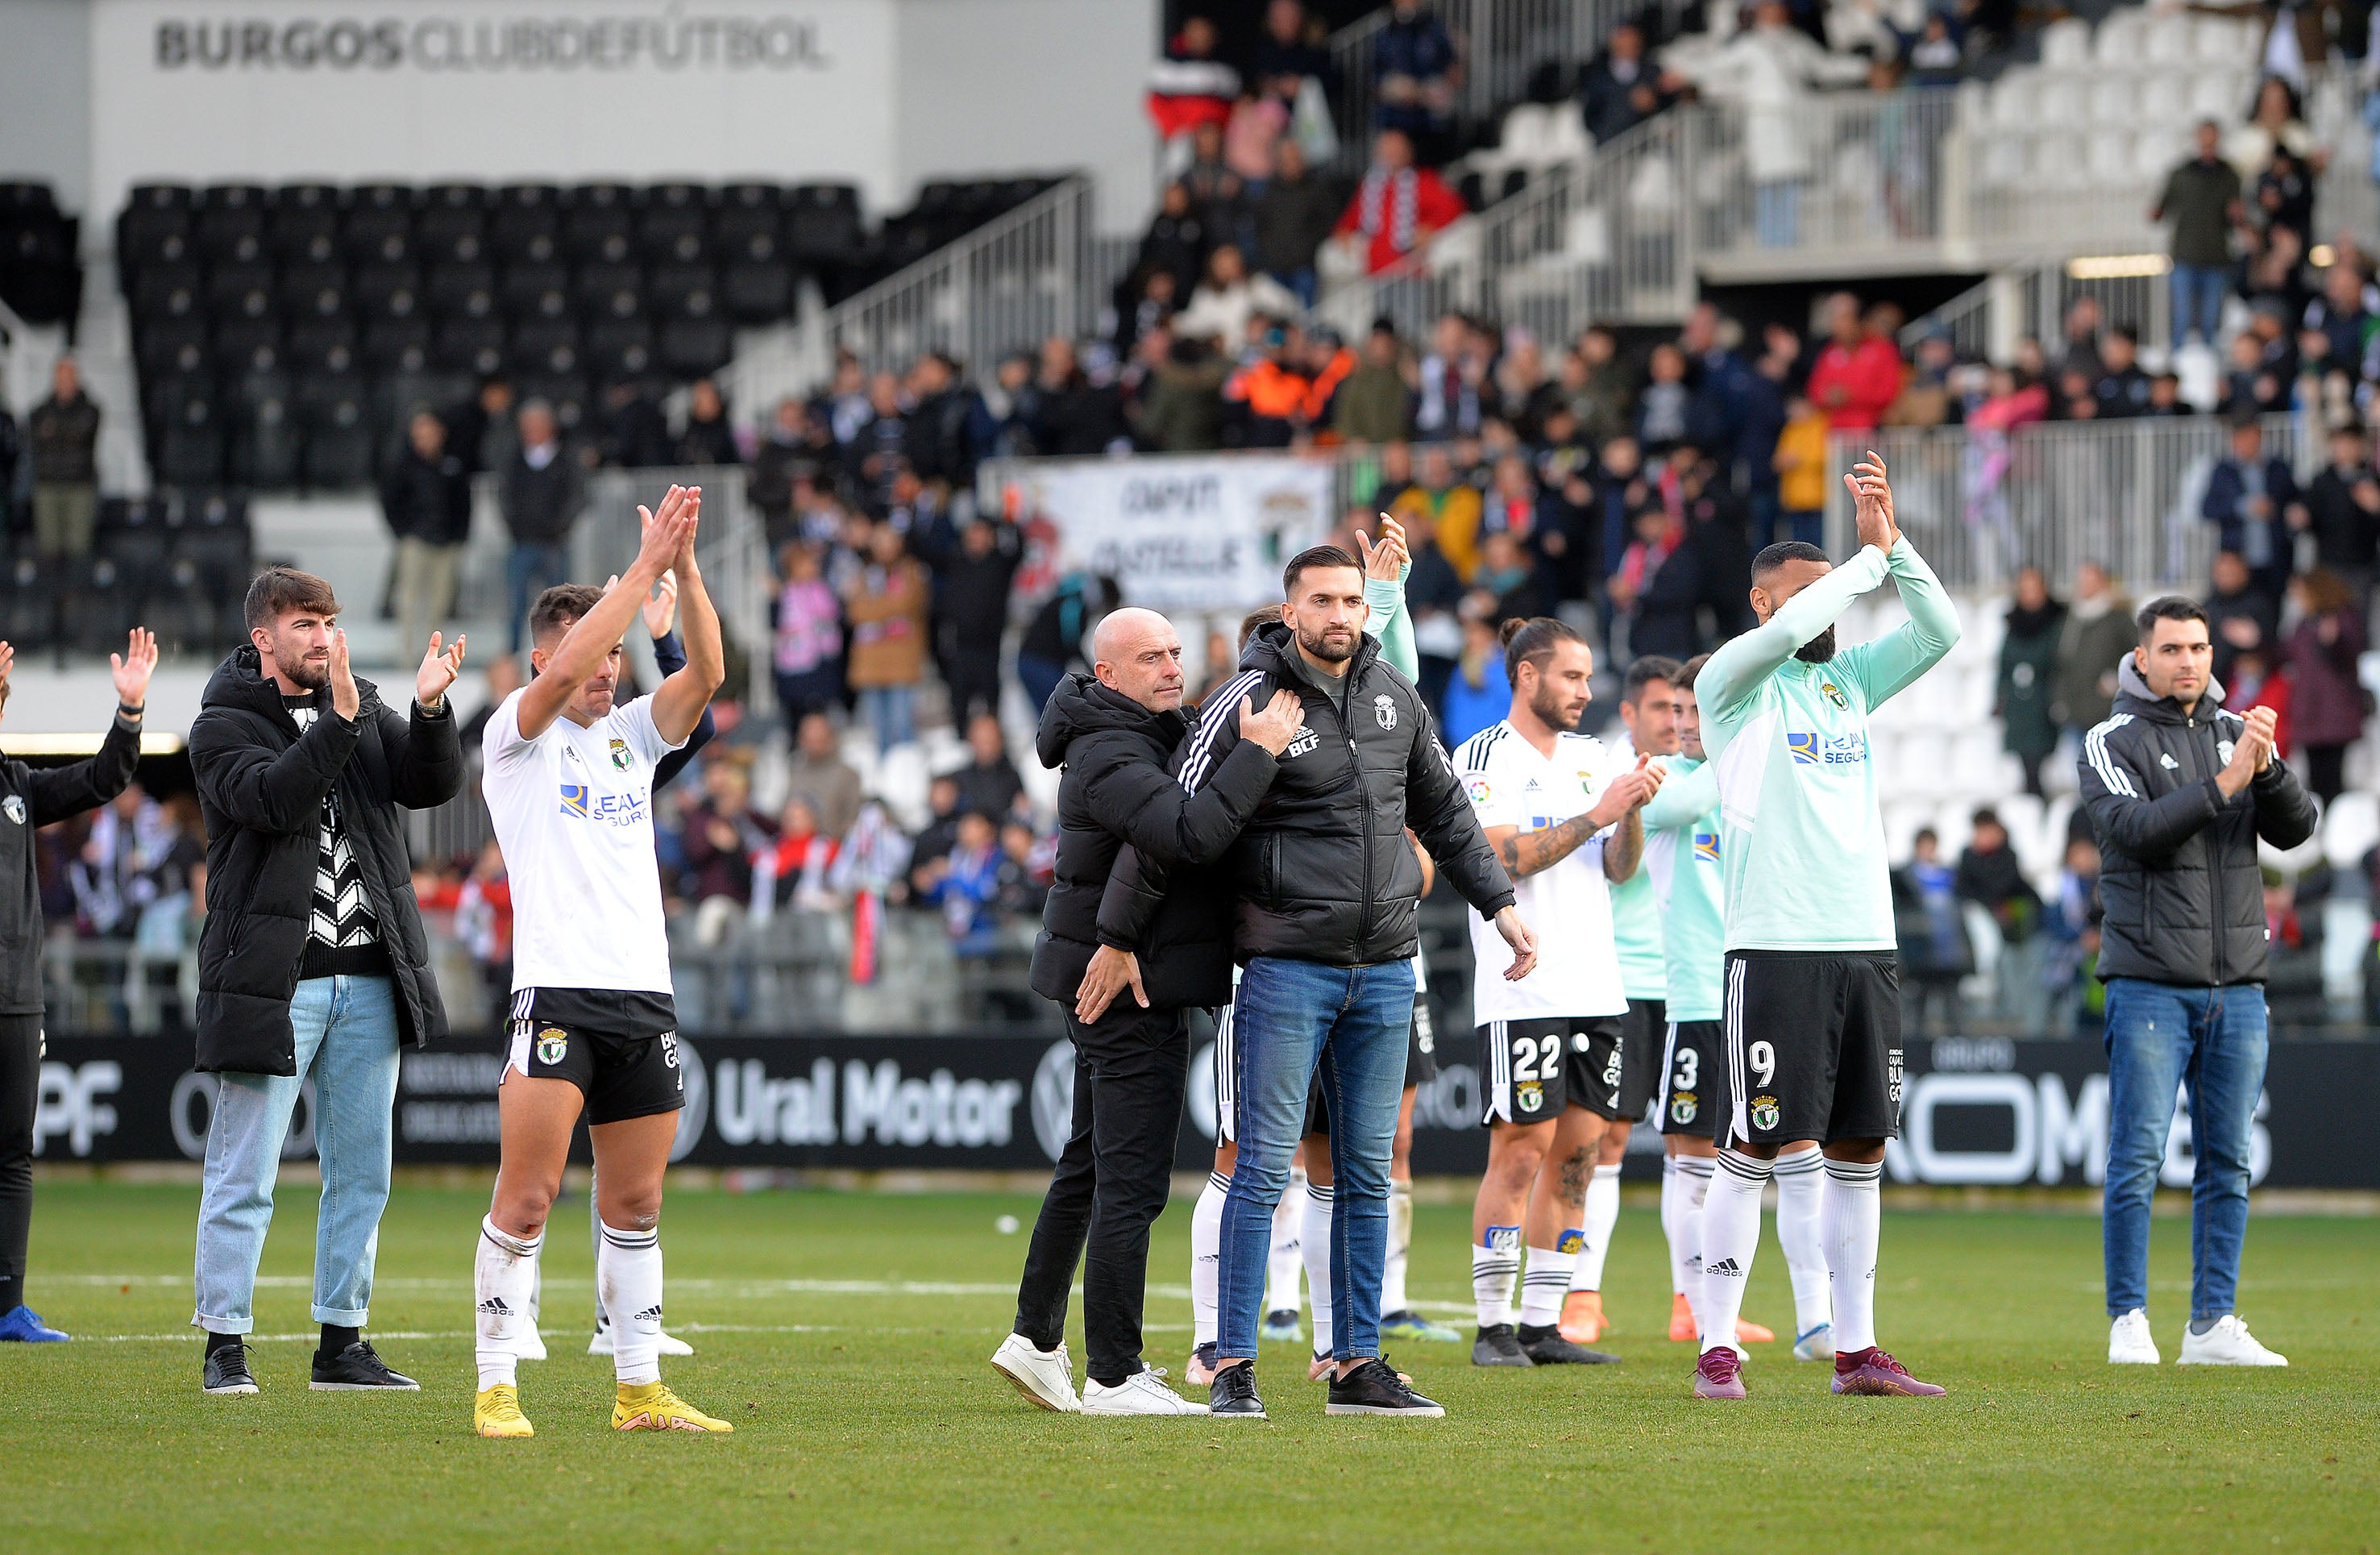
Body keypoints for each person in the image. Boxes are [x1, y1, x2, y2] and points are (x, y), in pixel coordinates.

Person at [1104, 545, 1535, 1421]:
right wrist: (1118, 939)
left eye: (1351, 600)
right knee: (1261, 1173)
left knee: (1366, 1177)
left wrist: (1501, 906)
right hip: (1283, 970)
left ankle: (1355, 1367)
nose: (1341, 615)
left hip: (1383, 970)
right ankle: (1230, 1364)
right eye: (1322, 601)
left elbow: (1445, 812)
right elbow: (1174, 826)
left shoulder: (1393, 697)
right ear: (1289, 610)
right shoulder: (1243, 700)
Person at [1688, 453, 1959, 1400]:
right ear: (1761, 607)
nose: (1826, 612)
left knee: (1860, 1149)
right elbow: (1811, 613)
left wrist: (1898, 549)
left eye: (1833, 594)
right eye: (1803, 596)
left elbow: (1943, 628)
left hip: (1863, 942)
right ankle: (1717, 1345)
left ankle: (1856, 1351)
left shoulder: (1848, 683)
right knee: (1754, 1142)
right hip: (1773, 943)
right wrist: (1862, 561)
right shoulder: (1731, 684)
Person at [988, 607, 1302, 1416]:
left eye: (1174, 652)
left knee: (1089, 1165)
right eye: (1149, 658)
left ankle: (1034, 1337)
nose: (1170, 667)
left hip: (1130, 975)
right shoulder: (1106, 750)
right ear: (1107, 677)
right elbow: (1188, 831)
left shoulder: (1147, 732)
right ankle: (1116, 1373)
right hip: (1128, 988)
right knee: (1130, 1183)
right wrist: (1261, 752)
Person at [470, 484, 729, 1439]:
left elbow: (707, 671)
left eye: (620, 655)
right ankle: (497, 1384)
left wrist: (685, 569)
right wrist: (640, 573)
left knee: (636, 1200)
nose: (609, 670)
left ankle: (638, 1389)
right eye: (594, 653)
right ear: (545, 657)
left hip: (642, 999)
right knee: (528, 1196)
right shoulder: (514, 737)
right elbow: (576, 654)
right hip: (556, 996)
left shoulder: (631, 739)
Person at [188, 569, 467, 1396]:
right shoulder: (220, 726)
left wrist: (426, 713)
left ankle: (341, 1343)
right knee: (246, 1173)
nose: (323, 637)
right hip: (275, 982)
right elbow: (274, 800)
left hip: (369, 980)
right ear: (263, 638)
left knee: (363, 1173)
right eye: (306, 623)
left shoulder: (358, 702)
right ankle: (226, 1344)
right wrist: (342, 719)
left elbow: (428, 785)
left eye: (330, 622)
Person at [2077, 595, 2315, 1369]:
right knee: (2138, 1155)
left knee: (2228, 1161)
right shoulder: (2109, 738)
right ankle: (2128, 1318)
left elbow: (2297, 828)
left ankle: (2212, 1323)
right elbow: (2133, 831)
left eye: (2200, 648)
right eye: (2173, 648)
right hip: (2149, 983)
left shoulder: (2231, 731)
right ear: (2139, 659)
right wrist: (2224, 783)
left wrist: (2266, 770)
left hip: (2238, 984)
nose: (2189, 661)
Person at [1456, 618, 1662, 1370]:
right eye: (1571, 677)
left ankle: (1543, 1324)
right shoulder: (1482, 756)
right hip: (1525, 985)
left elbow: (1619, 869)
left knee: (1577, 1156)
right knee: (1518, 1153)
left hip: (1597, 983)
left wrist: (1630, 806)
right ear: (1526, 675)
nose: (1585, 691)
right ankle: (1492, 1325)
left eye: (1586, 678)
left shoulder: (1593, 755)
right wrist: (1595, 812)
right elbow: (1500, 856)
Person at [1642, 654, 1833, 1361]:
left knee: (1802, 1148)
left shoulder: (1758, 779)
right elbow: (1685, 807)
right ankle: (1694, 1308)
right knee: (1697, 1159)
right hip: (1697, 992)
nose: (1686, 725)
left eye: (1698, 710)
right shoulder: (1667, 780)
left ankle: (1816, 1318)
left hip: (1773, 983)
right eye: (1679, 711)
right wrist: (1743, 740)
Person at [0, 630, 156, 1344]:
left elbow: (102, 778)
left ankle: (8, 1306)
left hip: (15, 996)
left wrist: (129, 714)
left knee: (12, 1151)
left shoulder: (17, 785)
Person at [1555, 656, 1703, 1346]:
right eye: (1660, 710)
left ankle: (1690, 1301)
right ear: (1631, 715)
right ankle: (1579, 1295)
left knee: (1691, 1144)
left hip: (1683, 982)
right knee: (1603, 1140)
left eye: (1681, 711)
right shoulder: (1618, 777)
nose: (1674, 723)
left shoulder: (1690, 773)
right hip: (1618, 979)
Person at [381, 409, 475, 659]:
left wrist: (459, 537)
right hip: (415, 540)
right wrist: (403, 532)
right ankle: (406, 656)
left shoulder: (453, 465)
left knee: (439, 603)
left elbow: (464, 505)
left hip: (446, 543)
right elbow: (390, 502)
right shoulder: (402, 465)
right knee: (408, 600)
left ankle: (431, 658)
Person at [499, 400, 587, 654]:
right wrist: (513, 525)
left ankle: (560, 653)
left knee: (560, 606)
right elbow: (504, 496)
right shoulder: (513, 457)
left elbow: (578, 496)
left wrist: (561, 526)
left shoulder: (566, 457)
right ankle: (513, 657)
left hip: (554, 544)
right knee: (516, 605)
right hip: (521, 542)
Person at [2151, 122, 2245, 347]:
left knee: (2211, 321)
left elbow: (2235, 217)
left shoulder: (2229, 175)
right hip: (2185, 255)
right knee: (2182, 317)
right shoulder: (2180, 173)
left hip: (2216, 257)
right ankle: (2177, 366)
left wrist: (2238, 216)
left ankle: (2210, 368)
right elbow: (2160, 209)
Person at [841, 523, 928, 754]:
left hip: (901, 661)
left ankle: (906, 775)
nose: (884, 549)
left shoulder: (911, 571)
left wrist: (874, 608)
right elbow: (854, 612)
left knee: (902, 725)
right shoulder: (863, 572)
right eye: (879, 543)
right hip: (870, 663)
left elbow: (909, 603)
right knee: (878, 729)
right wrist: (887, 608)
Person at [2282, 569, 2366, 804]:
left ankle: (2336, 828)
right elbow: (2285, 653)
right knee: (2314, 780)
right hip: (2309, 712)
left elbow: (2350, 655)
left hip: (2335, 714)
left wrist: (2334, 642)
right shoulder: (2303, 624)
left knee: (2333, 779)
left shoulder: (2343, 618)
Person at [1333, 129, 1464, 277]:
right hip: (1376, 271)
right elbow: (1349, 221)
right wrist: (1343, 234)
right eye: (1387, 150)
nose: (1391, 155)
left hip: (1412, 270)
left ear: (1408, 153)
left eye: (1396, 150)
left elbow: (1452, 207)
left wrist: (1431, 228)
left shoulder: (1424, 181)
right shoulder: (1371, 186)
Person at [2203, 416, 2300, 605]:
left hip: (2275, 560)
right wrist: (2243, 507)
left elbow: (2295, 502)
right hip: (2238, 559)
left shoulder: (2278, 468)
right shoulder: (2223, 471)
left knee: (2272, 613)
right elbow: (2208, 508)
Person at [1997, 566, 2066, 797]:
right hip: (2019, 705)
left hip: (2047, 703)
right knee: (2024, 763)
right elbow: (2003, 666)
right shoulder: (2012, 622)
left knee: (2045, 760)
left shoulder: (2058, 621)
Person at [2051, 562, 2134, 743]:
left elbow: (2136, 654)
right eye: (2082, 581)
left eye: (2091, 580)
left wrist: (2115, 677)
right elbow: (2062, 661)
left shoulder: (2118, 618)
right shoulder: (2071, 619)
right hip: (2075, 708)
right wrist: (2060, 698)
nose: (2086, 586)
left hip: (2106, 709)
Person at [28, 357, 101, 561]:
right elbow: (37, 436)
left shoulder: (90, 409)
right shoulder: (41, 411)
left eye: (69, 378)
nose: (65, 383)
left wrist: (54, 431)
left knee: (79, 548)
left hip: (79, 485)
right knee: (48, 549)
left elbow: (82, 433)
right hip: (48, 483)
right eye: (61, 378)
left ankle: (76, 593)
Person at [785, 711, 863, 841]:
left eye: (819, 740)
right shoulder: (795, 772)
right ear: (801, 741)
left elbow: (853, 821)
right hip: (795, 848)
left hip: (834, 849)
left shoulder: (848, 775)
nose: (814, 747)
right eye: (810, 741)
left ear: (831, 739)